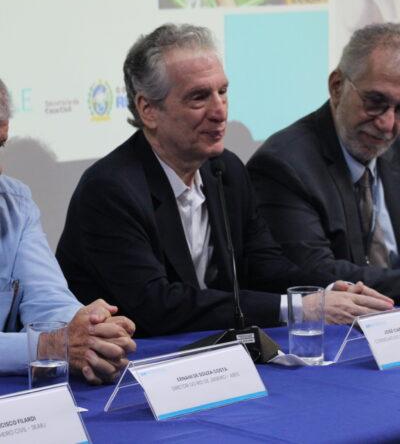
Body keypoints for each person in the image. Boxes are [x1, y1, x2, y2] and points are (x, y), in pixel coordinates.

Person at [56, 23, 393, 337]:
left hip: (210, 355)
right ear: (148, 110)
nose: (220, 112)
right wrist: (295, 308)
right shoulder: (110, 190)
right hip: (132, 362)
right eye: (199, 97)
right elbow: (157, 306)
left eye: (223, 91)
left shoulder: (225, 170)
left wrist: (326, 292)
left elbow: (266, 266)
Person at [247, 22, 400, 302]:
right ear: (337, 86)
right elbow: (317, 273)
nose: (388, 124)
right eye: (375, 101)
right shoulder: (283, 166)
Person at [0, 79, 136, 381]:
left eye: (0, 145)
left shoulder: (15, 204)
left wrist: (89, 330)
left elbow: (49, 301)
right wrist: (48, 346)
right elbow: (53, 342)